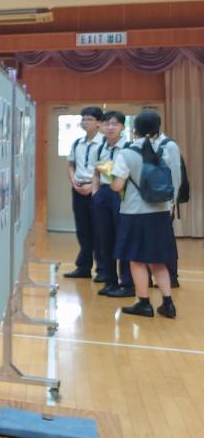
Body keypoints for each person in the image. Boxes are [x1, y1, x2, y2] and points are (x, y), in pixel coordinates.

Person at [110, 110, 181, 319]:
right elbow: (174, 179)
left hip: (135, 212)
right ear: (158, 128)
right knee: (158, 259)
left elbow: (117, 185)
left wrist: (111, 177)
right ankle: (168, 303)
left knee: (137, 259)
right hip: (160, 211)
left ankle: (143, 302)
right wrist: (171, 205)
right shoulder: (166, 149)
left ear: (134, 130)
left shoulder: (126, 153)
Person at [92, 111, 133, 298]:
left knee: (123, 238)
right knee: (105, 238)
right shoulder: (101, 147)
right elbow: (96, 172)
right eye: (107, 124)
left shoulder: (129, 148)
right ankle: (110, 280)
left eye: (115, 124)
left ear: (122, 127)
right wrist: (95, 193)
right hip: (104, 194)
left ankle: (127, 283)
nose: (110, 127)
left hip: (122, 195)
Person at [64, 107, 104, 279]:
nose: (84, 122)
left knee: (100, 230)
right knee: (83, 230)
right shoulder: (77, 143)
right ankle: (83, 267)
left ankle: (102, 269)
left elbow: (106, 169)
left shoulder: (104, 143)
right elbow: (70, 165)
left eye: (89, 119)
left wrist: (93, 187)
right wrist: (73, 181)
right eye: (83, 119)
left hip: (97, 190)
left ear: (99, 123)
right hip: (78, 189)